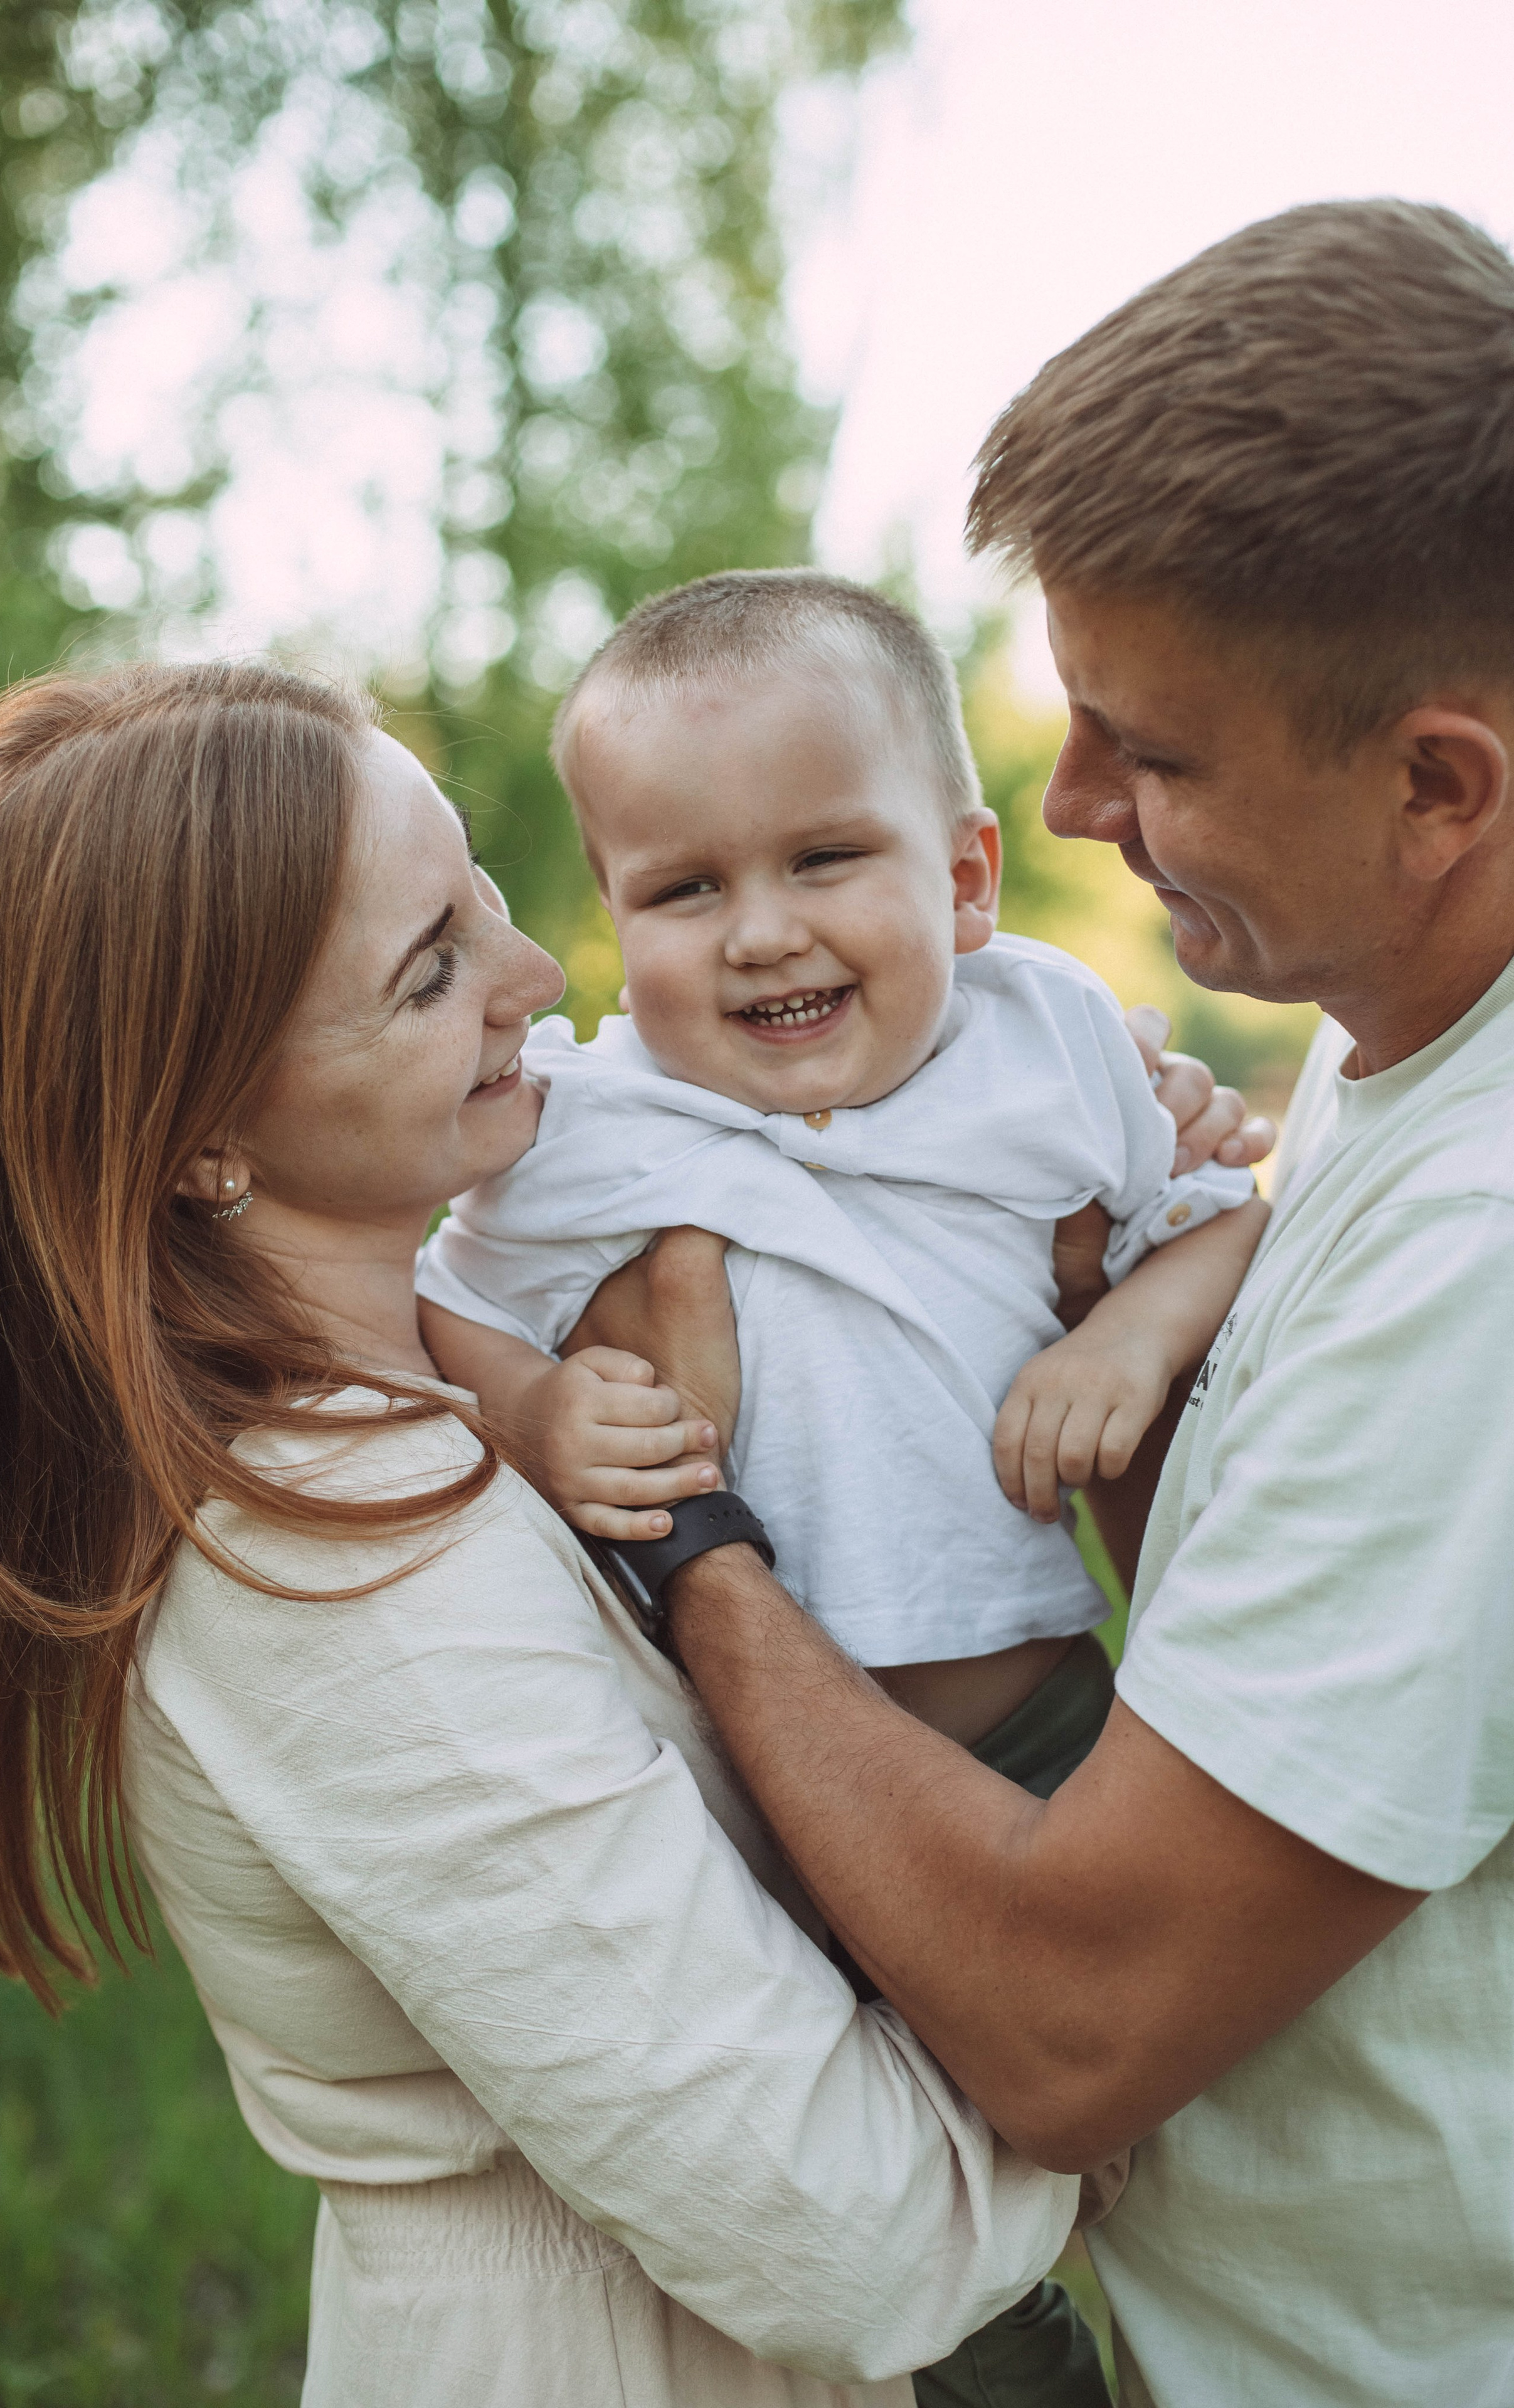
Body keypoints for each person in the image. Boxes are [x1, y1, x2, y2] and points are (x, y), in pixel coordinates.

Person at [0, 657, 1112, 2408]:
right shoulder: (335, 1557)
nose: (541, 979)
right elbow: (851, 2235)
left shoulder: (477, 1393)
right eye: (432, 969)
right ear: (199, 1144)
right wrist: (1149, 2057)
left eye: (478, 894)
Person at [571, 197, 1514, 2408]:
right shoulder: (1384, 1062)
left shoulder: (1487, 1244)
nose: (1070, 804)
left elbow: (1072, 2024)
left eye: (1149, 750)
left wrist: (697, 1554)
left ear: (1436, 784)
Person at [415, 571, 1263, 1785]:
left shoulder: (1040, 1045)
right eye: (684, 888)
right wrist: (536, 1414)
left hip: (1035, 1711)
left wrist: (1120, 1338)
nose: (759, 934)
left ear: (966, 880)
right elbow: (451, 1305)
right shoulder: (584, 1125)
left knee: (1127, 1959)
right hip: (735, 1759)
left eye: (822, 858)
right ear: (614, 910)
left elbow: (1217, 1225)